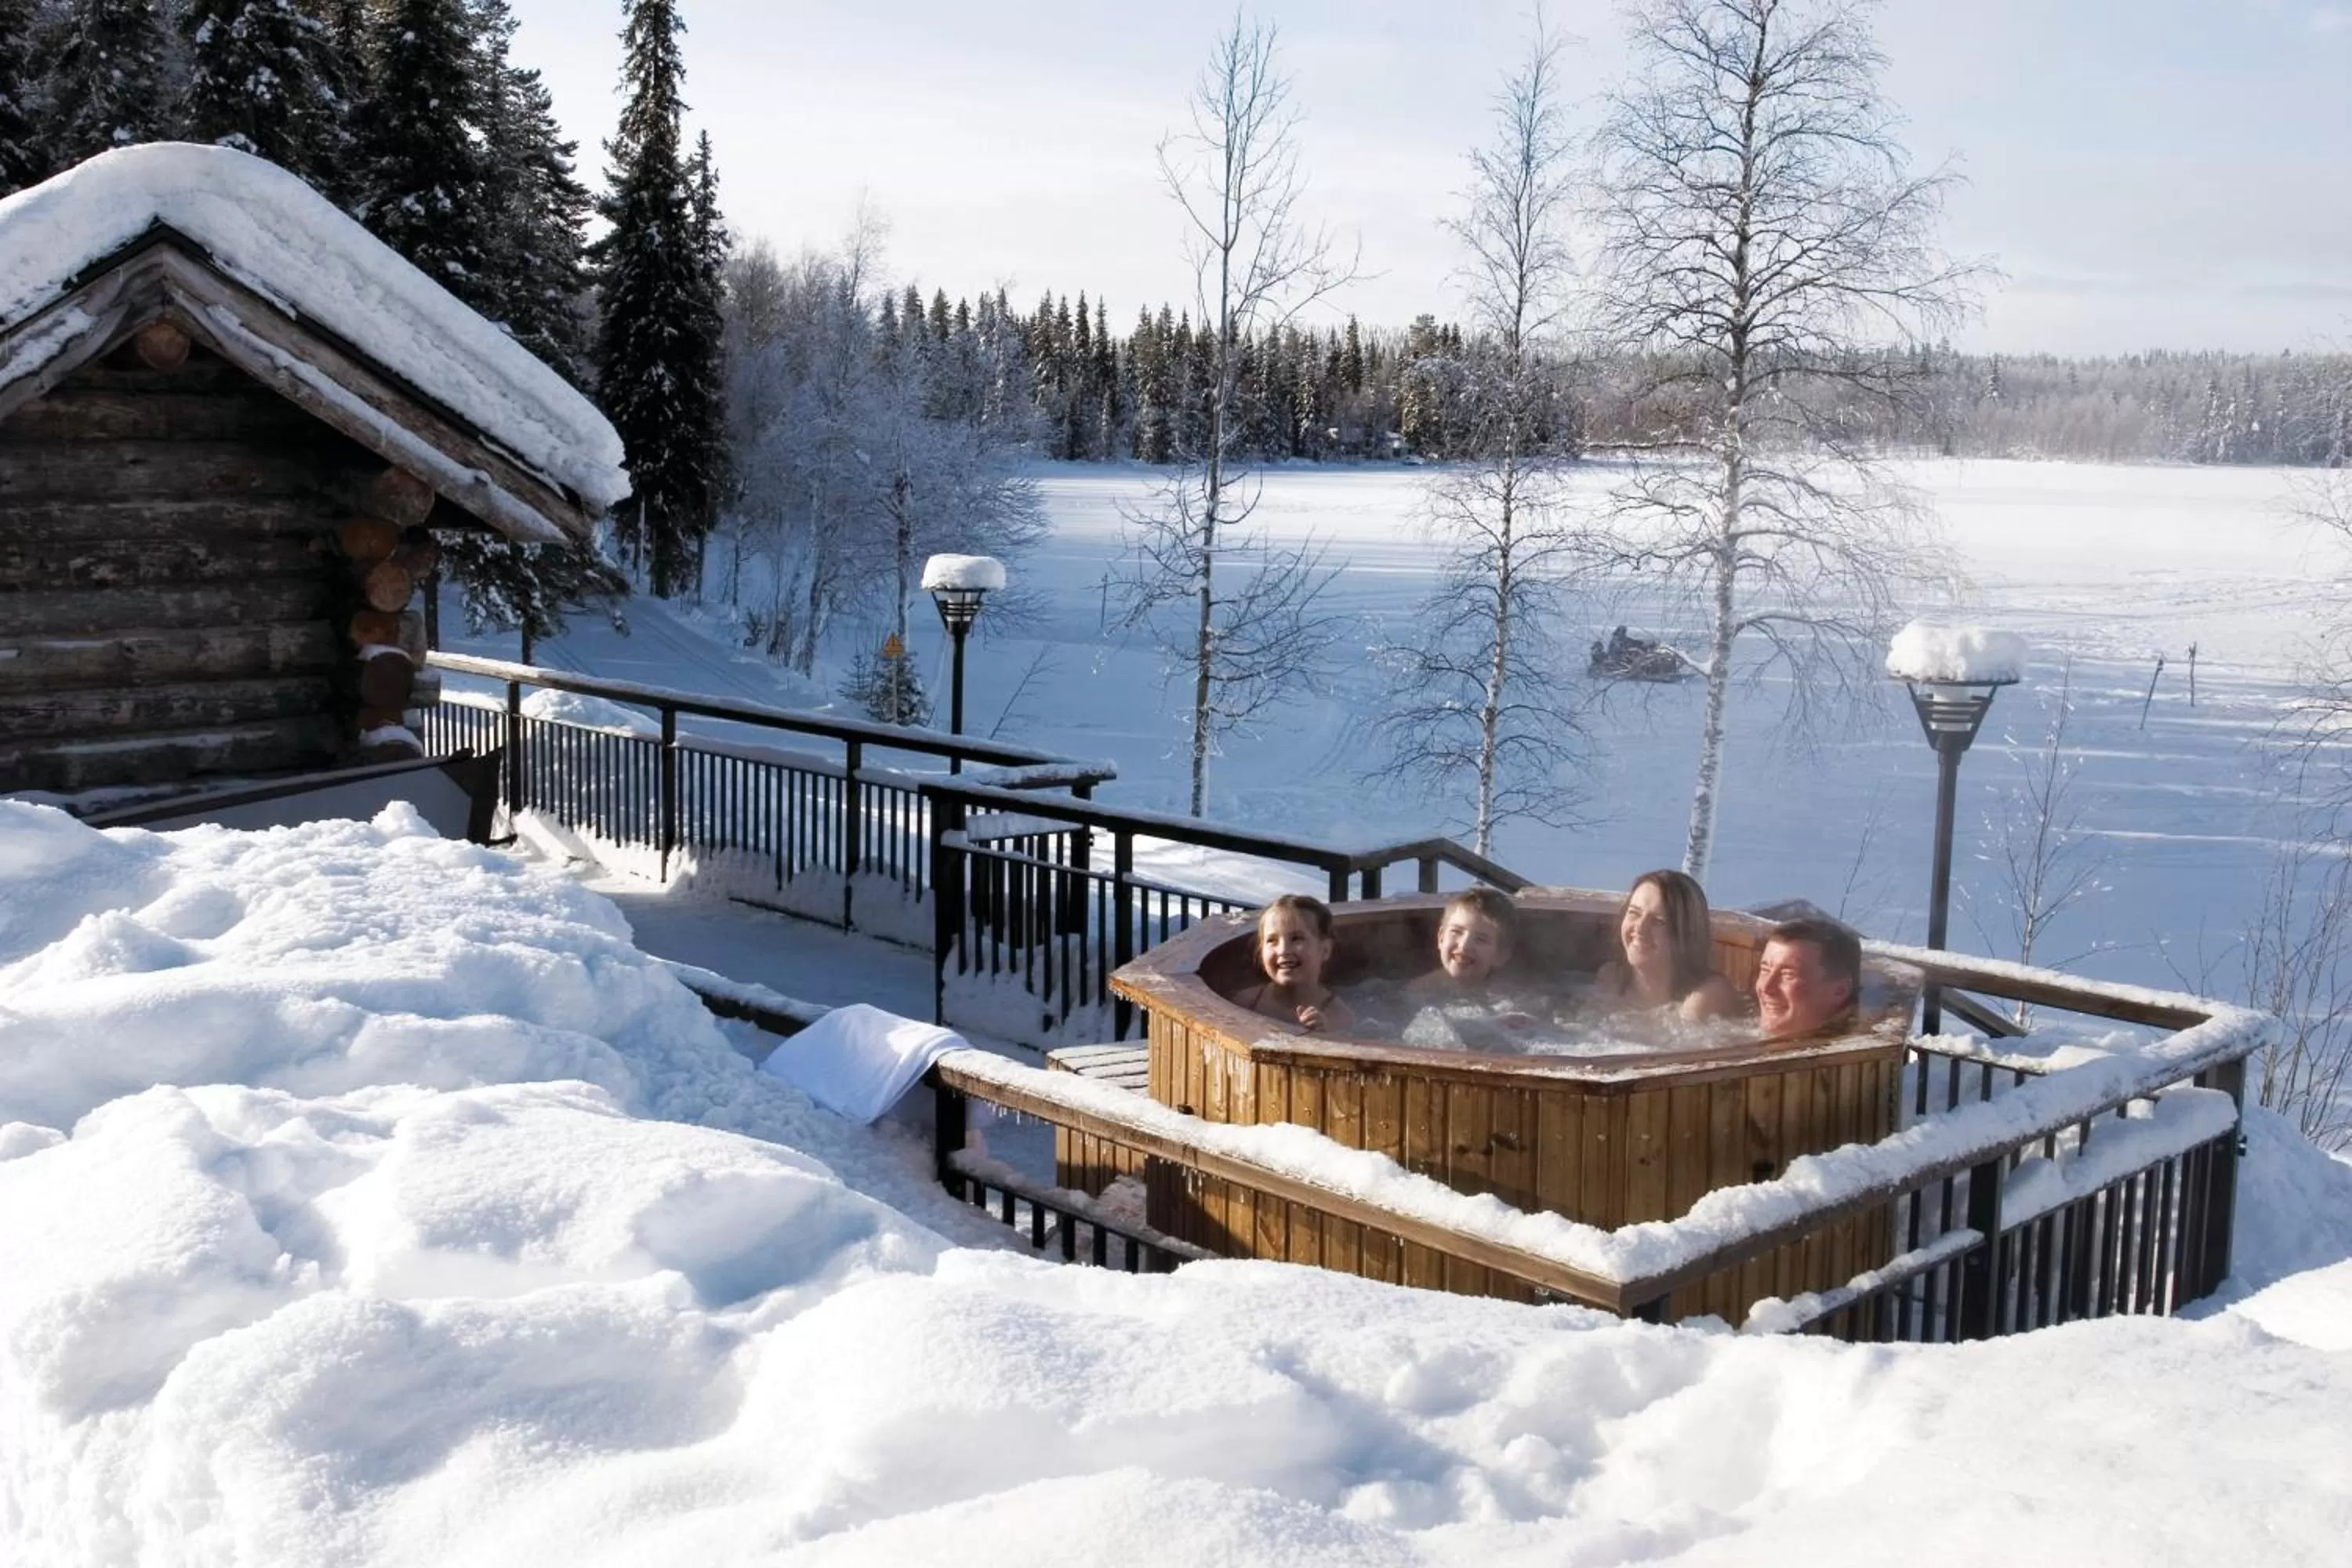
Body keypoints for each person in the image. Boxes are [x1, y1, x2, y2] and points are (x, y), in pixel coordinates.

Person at [1595, 869, 1740, 1022]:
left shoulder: (1705, 995)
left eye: (1658, 922)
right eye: (1634, 913)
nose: (1640, 928)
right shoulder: (1611, 979)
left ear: (1686, 934)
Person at [1232, 895, 1356, 1033]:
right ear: (1261, 951)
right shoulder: (1246, 1002)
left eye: (1297, 939)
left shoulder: (1338, 1017)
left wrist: (1325, 1034)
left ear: (1325, 950)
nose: (1283, 950)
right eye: (1272, 940)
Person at [1753, 916, 1864, 1040]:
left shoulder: (1850, 1053)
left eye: (1788, 975)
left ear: (1839, 991)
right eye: (1765, 970)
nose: (1766, 988)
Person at [1407, 887, 1518, 997]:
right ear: (1441, 938)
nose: (1464, 946)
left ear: (1501, 955)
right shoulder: (1417, 991)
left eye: (1480, 939)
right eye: (1456, 932)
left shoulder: (1510, 995)